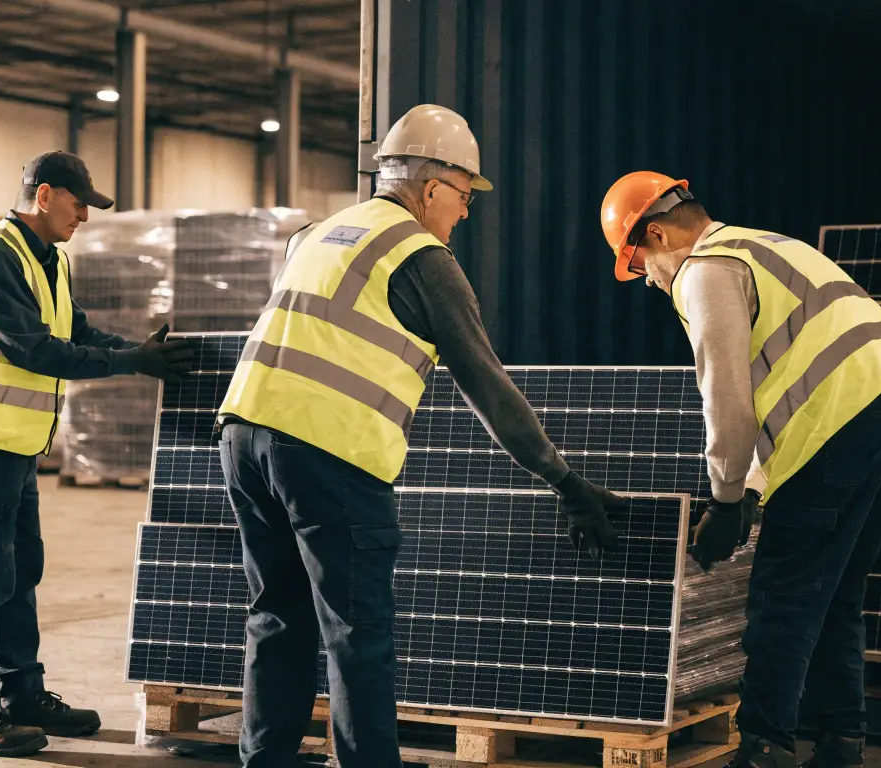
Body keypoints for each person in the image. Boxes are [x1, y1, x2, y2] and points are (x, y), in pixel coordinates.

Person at [216, 104, 628, 767]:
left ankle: (265, 760)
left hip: (243, 440)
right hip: (328, 451)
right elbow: (488, 387)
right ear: (432, 187)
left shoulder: (317, 233)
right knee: (357, 631)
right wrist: (565, 480)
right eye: (464, 196)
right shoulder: (423, 258)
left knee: (277, 616)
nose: (464, 213)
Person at [599, 172, 881, 768]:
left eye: (640, 267)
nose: (649, 283)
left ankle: (763, 749)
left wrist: (727, 498)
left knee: (781, 595)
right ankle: (842, 743)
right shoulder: (766, 245)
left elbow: (728, 397)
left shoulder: (705, 271)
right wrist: (753, 490)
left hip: (839, 422)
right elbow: (780, 382)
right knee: (834, 592)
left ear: (655, 235)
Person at [0, 150, 198, 758]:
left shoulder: (50, 260)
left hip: (11, 441)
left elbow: (75, 330)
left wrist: (137, 353)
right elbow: (32, 350)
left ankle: (22, 695)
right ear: (44, 196)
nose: (85, 217)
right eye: (79, 203)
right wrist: (129, 363)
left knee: (20, 572)